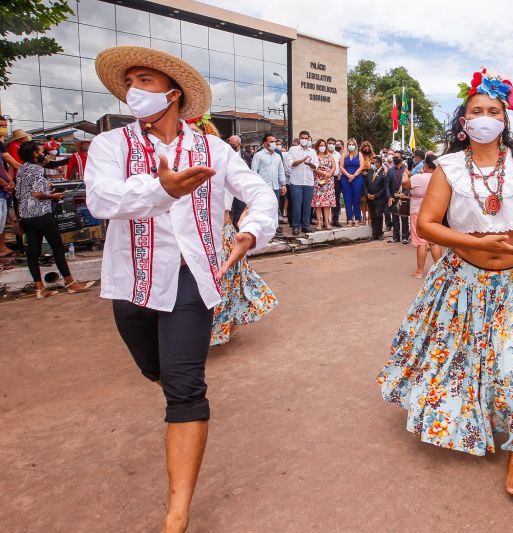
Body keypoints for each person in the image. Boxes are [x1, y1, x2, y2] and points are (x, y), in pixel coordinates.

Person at [85, 45, 278, 532]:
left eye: (144, 81)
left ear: (173, 93)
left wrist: (251, 230)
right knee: (155, 370)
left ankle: (177, 513)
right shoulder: (112, 147)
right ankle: (165, 377)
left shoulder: (214, 150)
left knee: (186, 389)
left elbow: (258, 192)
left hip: (194, 280)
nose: (134, 89)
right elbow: (101, 199)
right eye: (129, 81)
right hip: (131, 284)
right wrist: (162, 189)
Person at [378, 68, 513, 499]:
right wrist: (473, 239)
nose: (484, 117)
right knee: (462, 364)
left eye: (492, 110)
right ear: (464, 122)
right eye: (475, 110)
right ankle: (467, 421)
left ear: (505, 119)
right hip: (462, 282)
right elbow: (426, 222)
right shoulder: (449, 166)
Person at [187, 117, 279, 346]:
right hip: (192, 238)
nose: (188, 137)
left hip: (223, 234)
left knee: (227, 282)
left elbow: (254, 191)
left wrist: (250, 220)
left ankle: (219, 328)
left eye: (194, 132)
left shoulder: (221, 160)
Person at [15, 141, 94, 298]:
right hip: (41, 214)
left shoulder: (21, 169)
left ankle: (40, 289)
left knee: (33, 253)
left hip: (26, 216)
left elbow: (21, 192)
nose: (43, 152)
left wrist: (47, 185)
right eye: (40, 150)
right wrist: (53, 196)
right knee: (58, 247)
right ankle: (71, 284)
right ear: (35, 153)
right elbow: (36, 193)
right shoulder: (37, 169)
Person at [403, 153, 442, 278]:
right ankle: (440, 271)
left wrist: (406, 173)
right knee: (434, 242)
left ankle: (420, 271)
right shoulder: (439, 178)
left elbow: (405, 183)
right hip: (434, 210)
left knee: (421, 242)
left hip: (417, 211)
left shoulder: (417, 178)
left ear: (425, 165)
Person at [251, 132, 286, 235]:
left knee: (274, 208)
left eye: (275, 141)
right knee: (264, 209)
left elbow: (281, 171)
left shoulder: (278, 156)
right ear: (265, 143)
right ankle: (263, 231)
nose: (274, 143)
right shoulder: (258, 155)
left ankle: (274, 229)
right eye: (272, 142)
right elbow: (254, 172)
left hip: (275, 187)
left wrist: (283, 184)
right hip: (263, 188)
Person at [284, 130, 318, 235]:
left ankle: (305, 226)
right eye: (302, 138)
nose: (304, 140)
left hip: (308, 182)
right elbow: (290, 164)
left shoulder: (312, 151)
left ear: (308, 139)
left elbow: (316, 165)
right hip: (296, 182)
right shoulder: (293, 150)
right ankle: (295, 226)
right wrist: (303, 160)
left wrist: (310, 164)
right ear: (299, 139)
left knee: (307, 205)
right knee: (297, 205)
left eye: (306, 138)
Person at [228, 134, 252, 228]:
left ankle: (237, 229)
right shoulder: (224, 154)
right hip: (228, 187)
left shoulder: (246, 156)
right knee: (227, 210)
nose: (232, 147)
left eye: (234, 145)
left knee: (239, 209)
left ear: (239, 145)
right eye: (230, 144)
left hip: (240, 187)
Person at [311, 139, 336, 229]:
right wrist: (324, 173)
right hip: (318, 181)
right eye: (321, 145)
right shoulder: (314, 156)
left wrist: (329, 174)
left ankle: (327, 222)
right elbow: (313, 168)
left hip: (328, 182)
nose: (323, 147)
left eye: (324, 145)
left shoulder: (329, 155)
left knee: (327, 203)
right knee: (318, 203)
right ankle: (318, 222)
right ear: (317, 146)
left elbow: (334, 166)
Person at [386, 150, 410, 243]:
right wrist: (389, 197)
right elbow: (387, 185)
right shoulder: (390, 170)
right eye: (394, 157)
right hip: (393, 198)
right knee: (395, 218)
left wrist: (407, 194)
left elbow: (409, 183)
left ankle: (405, 237)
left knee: (404, 218)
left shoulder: (406, 169)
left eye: (397, 157)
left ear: (401, 158)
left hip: (404, 197)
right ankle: (395, 237)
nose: (395, 158)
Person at [363, 153, 388, 240]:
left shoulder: (384, 173)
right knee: (373, 216)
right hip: (370, 198)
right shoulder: (370, 171)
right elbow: (365, 185)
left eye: (375, 163)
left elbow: (385, 187)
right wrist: (367, 194)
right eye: (372, 163)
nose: (373, 165)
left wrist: (376, 195)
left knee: (378, 215)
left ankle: (380, 233)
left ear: (380, 163)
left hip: (379, 198)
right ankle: (374, 234)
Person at [339, 138, 364, 226]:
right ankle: (349, 218)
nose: (351, 146)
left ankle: (357, 218)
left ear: (356, 146)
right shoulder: (344, 155)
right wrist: (348, 175)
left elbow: (361, 166)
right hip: (346, 178)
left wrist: (353, 175)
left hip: (357, 178)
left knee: (356, 198)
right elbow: (341, 166)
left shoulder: (359, 154)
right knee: (347, 199)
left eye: (353, 144)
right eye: (349, 144)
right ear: (347, 146)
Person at [328, 137, 343, 227]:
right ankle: (325, 220)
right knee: (325, 200)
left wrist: (340, 175)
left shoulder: (338, 154)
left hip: (336, 179)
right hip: (326, 179)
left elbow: (341, 166)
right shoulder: (323, 153)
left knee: (336, 200)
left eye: (333, 144)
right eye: (330, 143)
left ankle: (335, 220)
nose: (331, 145)